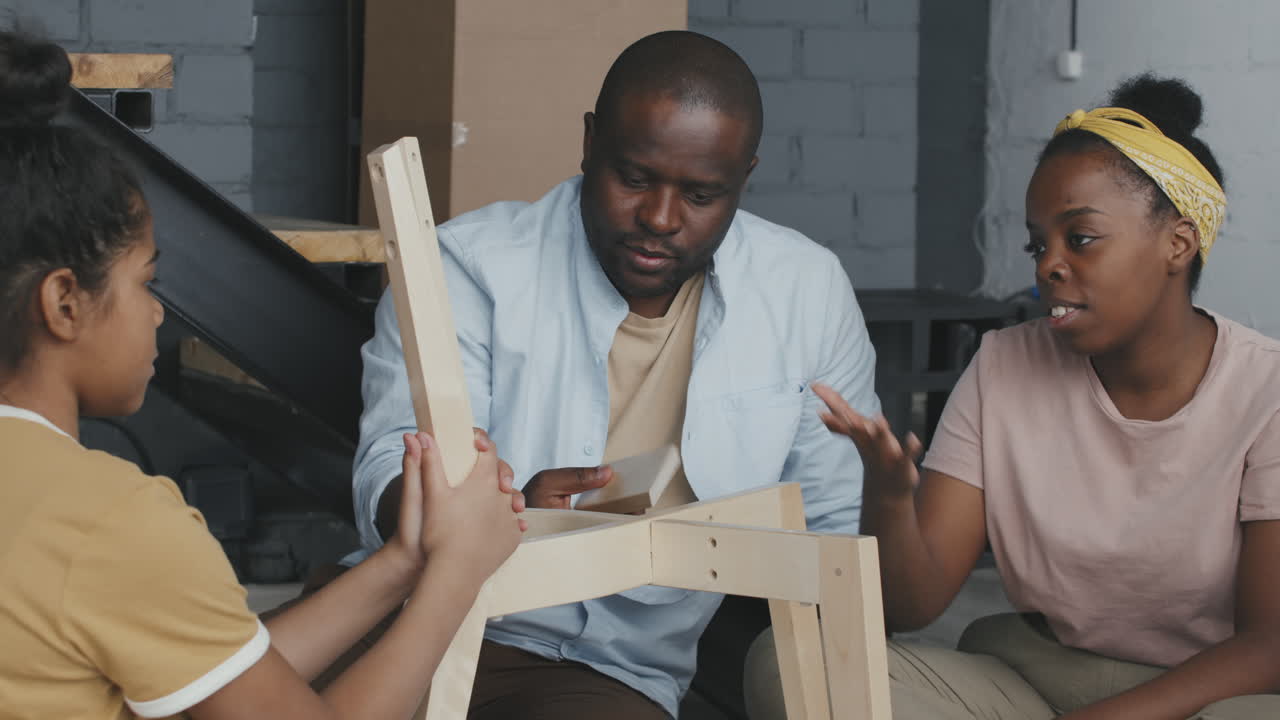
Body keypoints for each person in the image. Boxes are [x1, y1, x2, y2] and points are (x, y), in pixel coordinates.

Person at [352, 30, 880, 719]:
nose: (659, 218)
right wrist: (479, 515)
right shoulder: (467, 268)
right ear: (589, 142)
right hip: (410, 625)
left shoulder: (804, 292)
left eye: (700, 194)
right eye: (633, 178)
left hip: (613, 670)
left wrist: (892, 509)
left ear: (744, 180)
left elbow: (834, 538)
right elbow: (387, 469)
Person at [0, 32, 526, 720]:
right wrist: (458, 573)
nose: (158, 313)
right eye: (145, 282)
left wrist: (403, 562)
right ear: (65, 302)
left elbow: (221, 668)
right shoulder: (108, 522)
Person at [746, 75, 1280, 719]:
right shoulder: (1004, 365)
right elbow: (912, 607)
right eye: (1038, 244)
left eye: (1079, 238)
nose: (1047, 265)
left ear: (1178, 243)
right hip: (1040, 679)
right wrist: (890, 497)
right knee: (795, 661)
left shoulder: (1267, 390)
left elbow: (1270, 645)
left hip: (1204, 694)